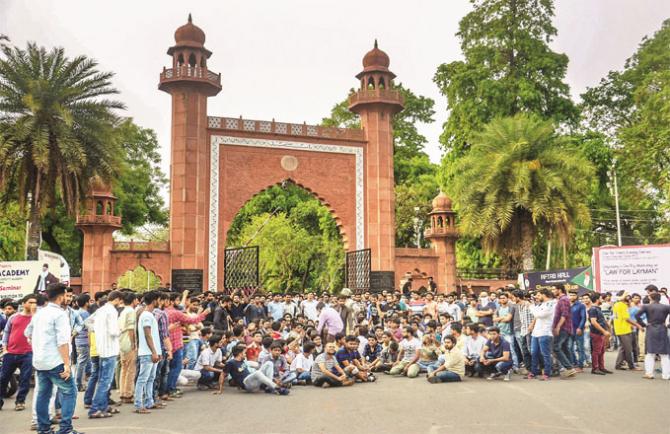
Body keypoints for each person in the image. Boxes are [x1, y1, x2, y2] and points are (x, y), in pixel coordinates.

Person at [25, 283, 82, 434]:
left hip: (40, 361)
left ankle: (43, 429)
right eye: (66, 295)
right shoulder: (60, 314)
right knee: (70, 392)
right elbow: (63, 342)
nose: (67, 298)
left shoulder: (39, 313)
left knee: (43, 394)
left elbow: (27, 333)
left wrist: (39, 346)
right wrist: (67, 364)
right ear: (60, 296)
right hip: (56, 361)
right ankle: (65, 429)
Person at [165, 292, 210, 398]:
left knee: (168, 369)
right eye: (177, 300)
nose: (180, 303)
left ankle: (166, 389)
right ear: (171, 301)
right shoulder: (175, 313)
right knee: (176, 367)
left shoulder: (164, 312)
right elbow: (192, 320)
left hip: (167, 343)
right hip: (175, 344)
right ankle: (171, 388)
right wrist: (204, 313)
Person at [88, 290, 123, 419]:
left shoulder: (101, 310)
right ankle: (95, 408)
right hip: (110, 349)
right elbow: (114, 331)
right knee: (105, 382)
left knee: (103, 380)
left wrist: (98, 332)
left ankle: (103, 406)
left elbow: (88, 323)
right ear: (117, 299)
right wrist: (121, 330)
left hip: (101, 348)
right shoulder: (112, 311)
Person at [0, 294, 36, 411]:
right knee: (3, 378)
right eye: (30, 302)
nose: (32, 305)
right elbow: (6, 332)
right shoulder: (13, 317)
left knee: (25, 379)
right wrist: (5, 349)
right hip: (10, 353)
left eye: (34, 303)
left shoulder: (36, 319)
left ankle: (20, 401)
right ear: (24, 303)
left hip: (28, 354)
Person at [135, 291, 162, 414]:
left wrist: (157, 351)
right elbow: (148, 335)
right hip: (147, 352)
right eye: (159, 299)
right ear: (154, 300)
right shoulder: (146, 315)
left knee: (150, 378)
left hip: (151, 352)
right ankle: (139, 404)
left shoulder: (149, 315)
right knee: (143, 379)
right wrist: (154, 351)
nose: (160, 302)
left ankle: (149, 402)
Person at [223, 345, 289, 395]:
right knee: (257, 373)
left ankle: (269, 387)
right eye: (244, 353)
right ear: (240, 354)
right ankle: (276, 387)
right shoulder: (230, 363)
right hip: (246, 384)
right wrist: (220, 389)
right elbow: (223, 374)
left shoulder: (242, 361)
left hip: (252, 381)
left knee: (269, 363)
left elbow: (257, 365)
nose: (245, 354)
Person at [635, 290, 670, 380]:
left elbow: (637, 315)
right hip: (663, 329)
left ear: (650, 298)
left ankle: (649, 373)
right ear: (659, 298)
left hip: (651, 329)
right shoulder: (666, 307)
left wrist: (643, 324)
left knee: (650, 353)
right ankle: (666, 375)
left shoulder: (646, 306)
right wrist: (668, 324)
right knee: (664, 354)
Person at [527, 289, 555, 380]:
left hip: (545, 332)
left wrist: (531, 306)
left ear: (544, 295)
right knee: (534, 353)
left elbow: (540, 315)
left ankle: (547, 373)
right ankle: (533, 372)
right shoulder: (541, 304)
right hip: (536, 332)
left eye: (539, 295)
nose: (536, 297)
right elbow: (536, 315)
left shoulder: (551, 304)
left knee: (545, 354)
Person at [612, 291, 642, 371]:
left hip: (622, 329)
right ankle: (631, 366)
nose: (628, 298)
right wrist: (637, 325)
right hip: (623, 330)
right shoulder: (622, 305)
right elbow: (627, 318)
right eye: (626, 296)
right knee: (628, 349)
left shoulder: (617, 304)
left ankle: (618, 365)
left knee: (623, 348)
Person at [552, 285, 576, 377]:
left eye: (554, 289)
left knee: (556, 347)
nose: (553, 291)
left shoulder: (563, 300)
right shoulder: (562, 300)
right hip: (564, 328)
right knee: (565, 348)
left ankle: (569, 368)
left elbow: (564, 314)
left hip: (563, 328)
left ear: (559, 290)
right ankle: (571, 369)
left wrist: (558, 327)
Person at [118, 291, 138, 404]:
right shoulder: (131, 311)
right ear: (133, 300)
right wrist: (134, 343)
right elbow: (131, 329)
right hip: (128, 342)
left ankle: (122, 392)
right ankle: (128, 394)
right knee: (131, 369)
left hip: (122, 342)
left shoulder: (123, 311)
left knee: (124, 368)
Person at [586, 293, 612, 375]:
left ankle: (601, 367)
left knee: (601, 351)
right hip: (596, 333)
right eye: (601, 298)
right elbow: (593, 322)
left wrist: (607, 327)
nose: (602, 299)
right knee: (596, 351)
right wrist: (604, 331)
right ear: (597, 299)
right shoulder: (593, 309)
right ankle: (595, 368)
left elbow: (601, 320)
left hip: (601, 333)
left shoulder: (597, 308)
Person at [73, 294, 91, 391]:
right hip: (84, 340)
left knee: (80, 362)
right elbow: (88, 328)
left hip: (78, 340)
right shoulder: (85, 314)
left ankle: (78, 383)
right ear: (86, 302)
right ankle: (78, 384)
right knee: (81, 363)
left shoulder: (76, 312)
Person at [569, 290, 587, 373]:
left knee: (580, 348)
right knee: (569, 348)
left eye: (573, 295)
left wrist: (580, 328)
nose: (572, 296)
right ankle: (574, 363)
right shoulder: (567, 305)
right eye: (570, 295)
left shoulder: (581, 305)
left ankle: (580, 366)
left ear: (576, 296)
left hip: (578, 330)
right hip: (569, 330)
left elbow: (583, 318)